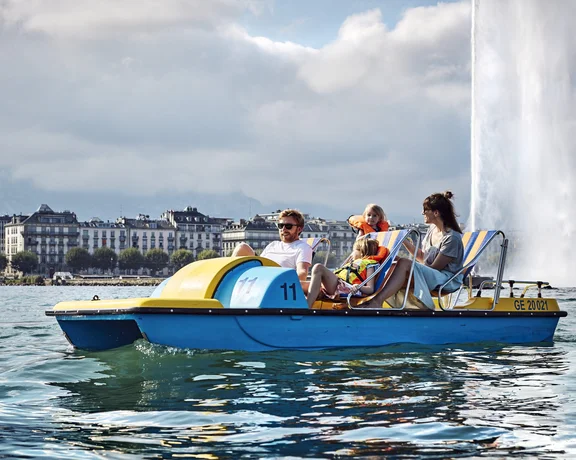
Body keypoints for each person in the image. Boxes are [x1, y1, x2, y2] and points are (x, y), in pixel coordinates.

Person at [361, 191, 464, 310]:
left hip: (445, 279)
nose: (422, 213)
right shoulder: (432, 230)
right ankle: (369, 298)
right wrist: (403, 241)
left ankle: (377, 301)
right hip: (433, 273)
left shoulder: (451, 238)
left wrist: (408, 266)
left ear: (436, 213)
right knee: (394, 261)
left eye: (425, 210)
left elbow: (435, 268)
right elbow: (422, 256)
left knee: (404, 263)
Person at [231, 209, 312, 281]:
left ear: (299, 229)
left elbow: (302, 274)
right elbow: (259, 263)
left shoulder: (302, 247)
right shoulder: (273, 245)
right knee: (242, 247)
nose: (283, 229)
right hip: (259, 279)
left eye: (288, 226)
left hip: (276, 285)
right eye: (280, 226)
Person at [306, 238, 381, 308]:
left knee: (318, 268)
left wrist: (358, 286)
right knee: (299, 284)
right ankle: (297, 307)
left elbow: (370, 289)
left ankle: (306, 308)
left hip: (344, 287)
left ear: (361, 252)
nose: (351, 254)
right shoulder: (353, 263)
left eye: (354, 250)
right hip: (337, 285)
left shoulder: (369, 265)